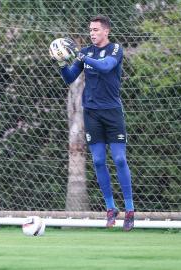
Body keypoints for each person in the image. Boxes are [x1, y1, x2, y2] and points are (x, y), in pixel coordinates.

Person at [55, 15, 134, 231]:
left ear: (106, 31)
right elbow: (71, 77)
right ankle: (111, 209)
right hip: (91, 113)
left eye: (96, 29)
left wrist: (81, 57)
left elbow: (106, 67)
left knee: (119, 159)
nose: (92, 33)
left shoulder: (115, 50)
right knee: (98, 161)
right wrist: (62, 62)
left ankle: (129, 210)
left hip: (112, 113)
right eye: (90, 29)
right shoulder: (86, 52)